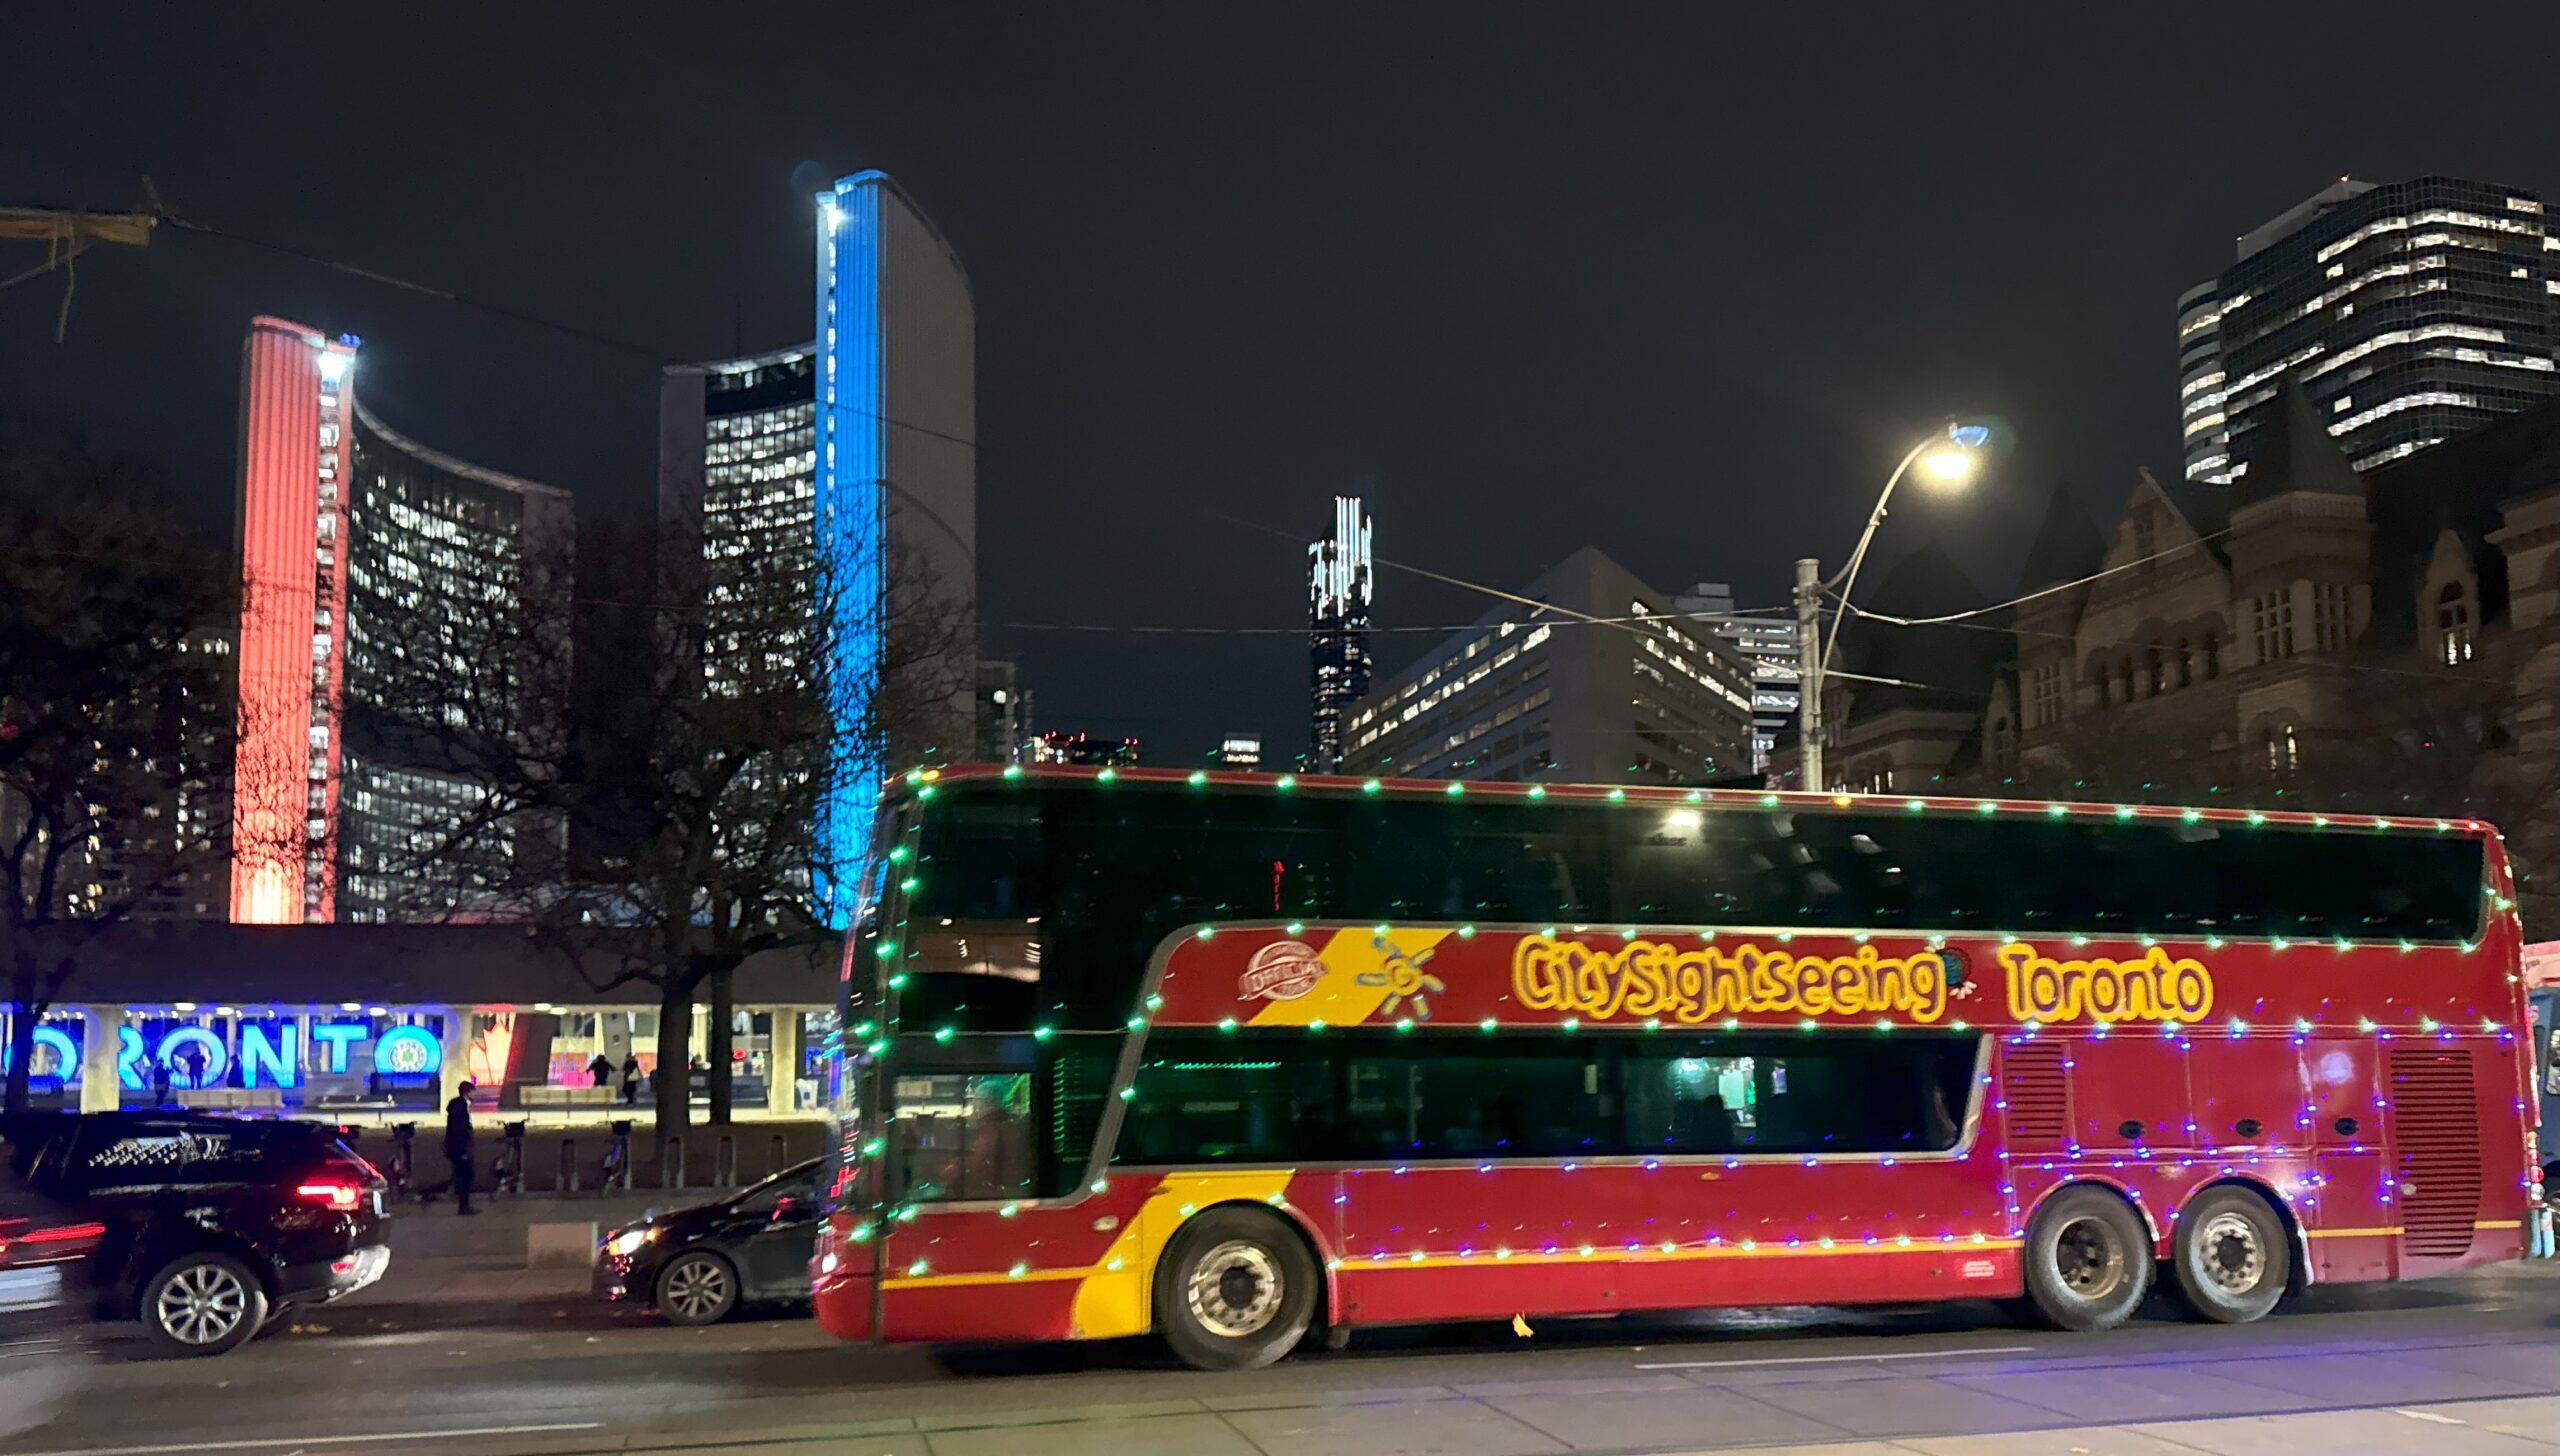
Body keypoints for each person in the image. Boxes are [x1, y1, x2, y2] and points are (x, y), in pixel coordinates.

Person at [444, 1079, 479, 1215]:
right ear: (468, 1092)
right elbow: (459, 1130)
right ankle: (464, 1206)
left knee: (462, 1176)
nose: (474, 1095)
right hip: (459, 1149)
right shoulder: (461, 1107)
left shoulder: (457, 1105)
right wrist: (463, 1150)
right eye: (473, 1092)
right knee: (465, 1176)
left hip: (456, 1148)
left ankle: (463, 1205)